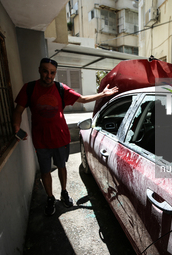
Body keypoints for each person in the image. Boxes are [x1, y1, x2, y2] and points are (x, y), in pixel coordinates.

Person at [13, 58, 118, 216]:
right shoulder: (29, 88)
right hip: (41, 140)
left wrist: (102, 94)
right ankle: (50, 197)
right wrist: (16, 126)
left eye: (52, 72)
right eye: (45, 71)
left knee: (62, 166)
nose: (48, 75)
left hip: (60, 138)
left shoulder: (60, 88)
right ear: (39, 70)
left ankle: (63, 192)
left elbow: (82, 99)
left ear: (55, 73)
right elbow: (18, 110)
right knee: (45, 171)